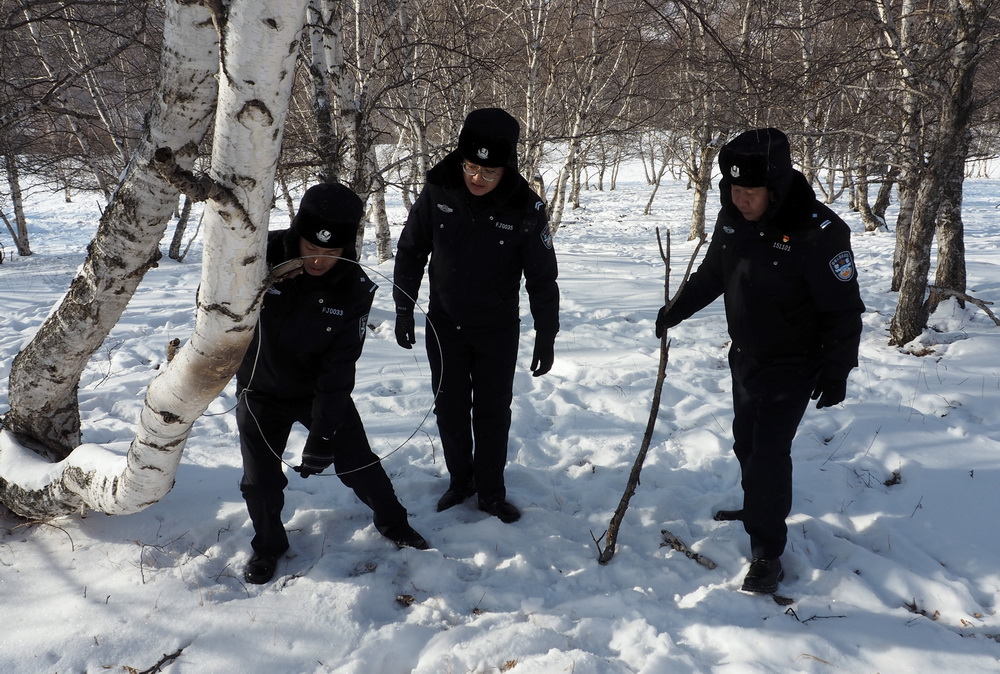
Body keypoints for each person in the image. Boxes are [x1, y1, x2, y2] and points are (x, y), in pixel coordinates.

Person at [655, 128, 864, 594]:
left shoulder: (818, 231)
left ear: (776, 187)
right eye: (733, 188)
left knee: (768, 453)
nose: (740, 199)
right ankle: (759, 509)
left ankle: (767, 552)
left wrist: (837, 370)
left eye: (750, 191)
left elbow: (843, 308)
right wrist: (676, 310)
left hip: (795, 361)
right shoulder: (733, 219)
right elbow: (714, 273)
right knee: (746, 444)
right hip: (746, 357)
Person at [236, 182, 428, 585]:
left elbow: (339, 369)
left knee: (358, 463)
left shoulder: (354, 288)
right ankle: (268, 546)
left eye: (332, 251)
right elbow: (215, 304)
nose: (319, 259)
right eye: (310, 246)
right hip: (260, 390)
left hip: (316, 391)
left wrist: (323, 434)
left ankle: (395, 524)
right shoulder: (256, 254)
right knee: (260, 482)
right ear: (297, 234)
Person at [392, 108, 559, 523]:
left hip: (496, 329)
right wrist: (403, 307)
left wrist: (546, 333)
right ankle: (460, 480)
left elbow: (542, 277)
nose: (477, 178)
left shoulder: (526, 207)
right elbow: (411, 249)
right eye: (470, 166)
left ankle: (490, 491)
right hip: (444, 324)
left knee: (492, 412)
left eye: (489, 171)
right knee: (449, 409)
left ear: (507, 167)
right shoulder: (439, 188)